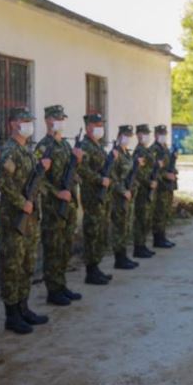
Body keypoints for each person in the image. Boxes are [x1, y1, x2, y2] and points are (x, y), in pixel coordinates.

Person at [0, 108, 51, 334]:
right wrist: (21, 202)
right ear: (13, 124)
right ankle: (12, 315)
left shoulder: (27, 150)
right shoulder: (9, 150)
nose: (28, 124)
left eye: (30, 121)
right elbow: (2, 180)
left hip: (30, 218)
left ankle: (23, 307)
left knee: (28, 263)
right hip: (14, 219)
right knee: (13, 266)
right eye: (24, 121)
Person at [36, 105, 84, 306]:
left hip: (69, 205)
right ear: (47, 120)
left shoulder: (64, 146)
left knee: (65, 248)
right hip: (53, 208)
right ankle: (53, 290)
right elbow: (37, 179)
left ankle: (61, 284)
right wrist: (57, 193)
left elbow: (71, 172)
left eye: (62, 118)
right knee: (53, 249)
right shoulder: (42, 147)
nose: (60, 122)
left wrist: (78, 162)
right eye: (56, 118)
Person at [77, 113, 116, 285]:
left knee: (100, 231)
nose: (101, 127)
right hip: (92, 195)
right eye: (97, 124)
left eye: (101, 124)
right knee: (92, 232)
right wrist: (100, 180)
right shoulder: (85, 145)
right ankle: (90, 271)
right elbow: (83, 170)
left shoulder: (98, 145)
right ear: (89, 127)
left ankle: (96, 267)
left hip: (103, 196)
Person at [110, 125, 140, 270]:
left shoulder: (126, 153)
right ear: (119, 135)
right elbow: (112, 176)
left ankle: (124, 256)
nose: (127, 138)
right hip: (119, 197)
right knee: (119, 227)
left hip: (129, 195)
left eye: (129, 135)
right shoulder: (115, 153)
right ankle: (119, 258)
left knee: (126, 226)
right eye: (125, 135)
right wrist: (122, 190)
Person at [131, 124, 157, 259]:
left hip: (148, 188)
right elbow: (138, 173)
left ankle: (143, 245)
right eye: (142, 133)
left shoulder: (146, 150)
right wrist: (149, 182)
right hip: (141, 189)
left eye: (147, 133)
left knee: (146, 218)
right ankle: (138, 247)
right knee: (141, 218)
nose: (145, 136)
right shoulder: (139, 151)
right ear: (138, 135)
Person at [150, 124, 177, 248]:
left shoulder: (165, 148)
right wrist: (166, 175)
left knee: (165, 212)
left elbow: (168, 165)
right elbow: (153, 169)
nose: (163, 136)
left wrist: (173, 172)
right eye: (161, 134)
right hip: (160, 187)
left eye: (164, 134)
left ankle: (163, 236)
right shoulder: (154, 149)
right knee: (159, 213)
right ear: (155, 135)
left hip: (167, 186)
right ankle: (158, 239)